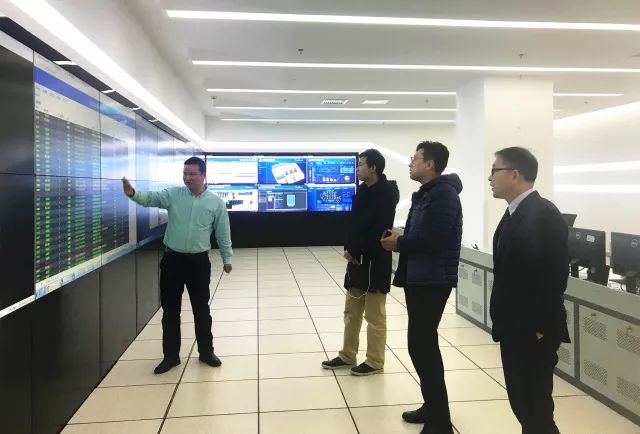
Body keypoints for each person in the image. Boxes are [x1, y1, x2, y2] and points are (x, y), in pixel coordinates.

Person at [122, 156, 233, 374]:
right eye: (185, 173)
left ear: (203, 175)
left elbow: (223, 232)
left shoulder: (215, 202)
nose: (187, 178)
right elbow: (150, 198)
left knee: (201, 310)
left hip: (198, 263)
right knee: (170, 311)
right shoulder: (173, 195)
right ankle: (171, 356)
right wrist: (132, 193)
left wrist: (226, 258)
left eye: (192, 174)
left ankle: (206, 352)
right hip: (172, 261)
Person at [381, 141, 462, 434]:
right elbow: (426, 233)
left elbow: (438, 239)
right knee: (421, 346)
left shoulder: (443, 195)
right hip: (421, 277)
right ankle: (433, 407)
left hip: (433, 280)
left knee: (422, 346)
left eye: (414, 158)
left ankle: (440, 421)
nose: (410, 163)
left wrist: (400, 242)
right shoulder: (428, 193)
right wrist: (401, 238)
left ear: (429, 164)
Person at [488, 146, 570, 434]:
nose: (490, 178)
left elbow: (553, 276)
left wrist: (540, 328)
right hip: (515, 327)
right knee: (524, 405)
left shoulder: (542, 214)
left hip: (532, 331)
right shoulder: (515, 212)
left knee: (535, 409)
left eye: (495, 170)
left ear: (514, 174)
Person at [321, 149, 399, 376]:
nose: (357, 169)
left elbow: (379, 230)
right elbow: (354, 226)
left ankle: (374, 361)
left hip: (375, 261)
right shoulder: (362, 191)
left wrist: (354, 249)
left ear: (373, 168)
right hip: (356, 261)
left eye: (361, 164)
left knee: (374, 316)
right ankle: (347, 355)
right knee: (351, 312)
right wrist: (349, 248)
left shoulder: (386, 194)